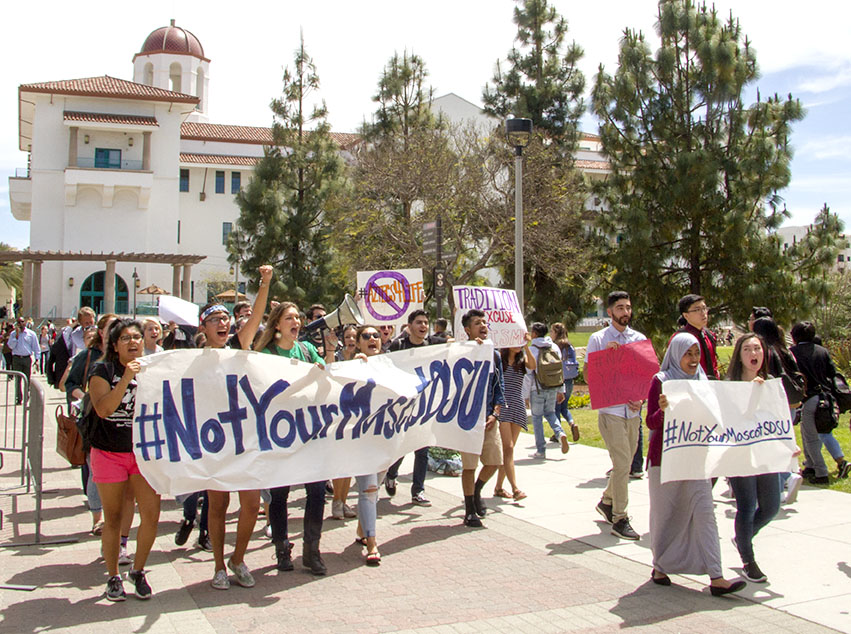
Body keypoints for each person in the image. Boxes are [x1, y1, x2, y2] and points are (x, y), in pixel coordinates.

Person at [645, 332, 746, 596]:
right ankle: (660, 566)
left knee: (704, 514)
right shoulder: (662, 381)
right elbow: (651, 423)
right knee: (665, 515)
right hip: (665, 460)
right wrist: (662, 410)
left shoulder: (704, 382)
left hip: (696, 459)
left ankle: (716, 576)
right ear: (675, 354)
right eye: (687, 353)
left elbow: (722, 414)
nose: (692, 359)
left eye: (696, 353)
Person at [200, 265, 272, 590]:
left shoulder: (238, 345)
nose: (223, 323)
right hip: (215, 442)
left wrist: (265, 283)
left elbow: (256, 317)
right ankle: (218, 565)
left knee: (252, 505)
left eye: (225, 319)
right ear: (203, 327)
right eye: (215, 320)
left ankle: (238, 558)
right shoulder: (191, 359)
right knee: (218, 505)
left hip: (245, 438)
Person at [88, 318, 161, 601]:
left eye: (137, 338)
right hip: (109, 452)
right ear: (114, 345)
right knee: (114, 518)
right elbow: (104, 409)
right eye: (126, 338)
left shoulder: (154, 369)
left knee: (152, 515)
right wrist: (127, 379)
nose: (133, 342)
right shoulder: (101, 370)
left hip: (143, 454)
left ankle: (138, 570)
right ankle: (113, 576)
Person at [254, 300, 329, 575]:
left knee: (318, 491)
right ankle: (282, 546)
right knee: (279, 492)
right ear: (277, 324)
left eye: (297, 317)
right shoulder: (266, 353)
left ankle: (312, 549)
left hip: (309, 430)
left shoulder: (308, 350)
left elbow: (327, 375)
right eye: (289, 318)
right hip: (279, 433)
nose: (295, 322)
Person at [725, 332, 792, 583]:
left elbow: (779, 421)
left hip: (766, 456)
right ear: (739, 356)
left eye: (758, 349)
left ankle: (742, 538)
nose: (754, 354)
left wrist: (788, 446)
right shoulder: (729, 385)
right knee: (746, 505)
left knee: (772, 507)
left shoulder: (771, 384)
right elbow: (729, 422)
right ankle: (748, 560)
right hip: (741, 456)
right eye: (747, 349)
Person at [586, 291, 646, 540]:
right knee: (622, 464)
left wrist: (640, 397)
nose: (625, 312)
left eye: (628, 307)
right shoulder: (598, 339)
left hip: (632, 412)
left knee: (626, 461)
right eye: (620, 308)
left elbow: (644, 374)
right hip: (611, 411)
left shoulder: (638, 339)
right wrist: (607, 359)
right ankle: (620, 518)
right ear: (610, 312)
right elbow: (591, 376)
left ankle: (608, 501)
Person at [458, 310, 505, 527]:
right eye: (478, 323)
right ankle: (469, 510)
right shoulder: (460, 353)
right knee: (469, 466)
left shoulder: (494, 354)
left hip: (488, 419)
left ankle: (477, 491)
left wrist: (495, 413)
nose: (483, 326)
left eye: (485, 322)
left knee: (495, 462)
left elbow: (499, 386)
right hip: (467, 420)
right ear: (468, 330)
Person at [384, 309, 434, 506]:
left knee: (422, 448)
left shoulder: (432, 346)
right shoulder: (398, 345)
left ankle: (418, 491)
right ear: (410, 326)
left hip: (424, 405)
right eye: (419, 322)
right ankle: (391, 473)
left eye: (425, 323)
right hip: (402, 405)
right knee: (403, 446)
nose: (423, 326)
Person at [790, 321, 849, 484]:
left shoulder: (793, 352)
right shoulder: (822, 351)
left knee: (810, 437)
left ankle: (820, 472)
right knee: (817, 433)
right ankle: (810, 465)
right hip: (826, 398)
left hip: (809, 399)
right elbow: (832, 373)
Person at [352, 324, 385, 564]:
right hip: (362, 441)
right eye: (366, 336)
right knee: (369, 490)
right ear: (358, 342)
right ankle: (372, 544)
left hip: (385, 439)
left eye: (376, 335)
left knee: (375, 488)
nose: (372, 339)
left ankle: (362, 529)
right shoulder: (352, 366)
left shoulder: (390, 365)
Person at [493, 334, 535, 501]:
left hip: (517, 405)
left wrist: (526, 346)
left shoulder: (522, 362)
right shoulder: (499, 360)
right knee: (508, 447)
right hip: (503, 405)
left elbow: (533, 365)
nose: (517, 345)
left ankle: (498, 487)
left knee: (509, 450)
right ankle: (515, 488)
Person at [527, 322, 570, 458]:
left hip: (537, 388)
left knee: (537, 418)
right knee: (550, 413)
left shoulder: (532, 349)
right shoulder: (554, 347)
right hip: (553, 386)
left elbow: (528, 373)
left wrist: (525, 395)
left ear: (534, 333)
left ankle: (541, 450)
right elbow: (560, 369)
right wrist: (561, 389)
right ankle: (560, 433)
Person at [551, 322, 581, 442]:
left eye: (552, 331)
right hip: (570, 379)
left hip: (559, 380)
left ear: (556, 333)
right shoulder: (570, 346)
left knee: (556, 408)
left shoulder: (555, 346)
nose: (551, 334)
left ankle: (558, 433)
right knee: (564, 407)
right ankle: (572, 423)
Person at [676, 294, 719, 379]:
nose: (703, 313)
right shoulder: (680, 338)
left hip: (712, 386)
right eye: (697, 310)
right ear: (686, 315)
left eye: (704, 308)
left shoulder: (709, 335)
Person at [7, 316, 40, 404]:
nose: (20, 324)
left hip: (26, 358)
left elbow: (36, 347)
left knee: (27, 379)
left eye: (22, 322)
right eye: (18, 322)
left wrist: (37, 359)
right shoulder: (13, 334)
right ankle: (19, 398)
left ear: (25, 323)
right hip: (17, 358)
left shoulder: (31, 334)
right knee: (18, 379)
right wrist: (16, 337)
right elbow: (10, 346)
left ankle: (26, 396)